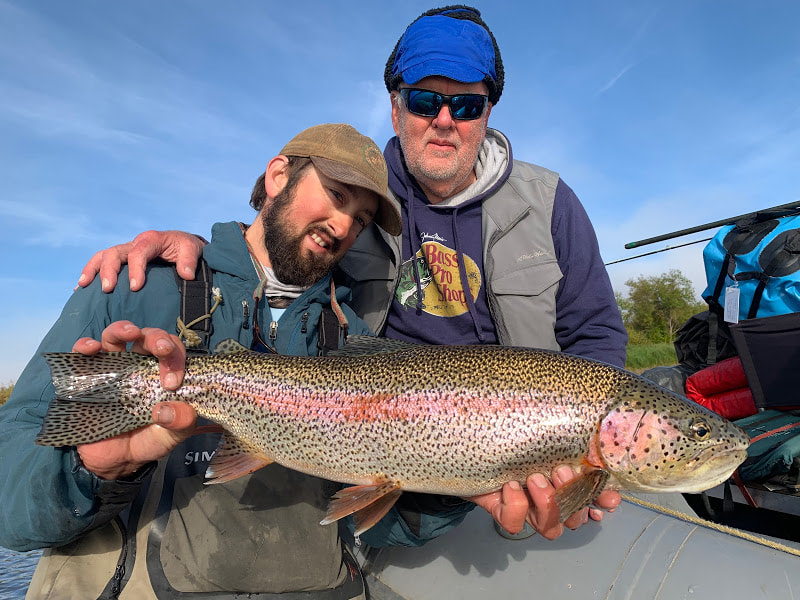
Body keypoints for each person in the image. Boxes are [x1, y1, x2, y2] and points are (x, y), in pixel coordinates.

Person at [77, 6, 626, 541]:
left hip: (509, 450)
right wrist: (196, 249)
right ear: (395, 106)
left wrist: (581, 453)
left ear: (488, 112)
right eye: (425, 100)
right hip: (366, 431)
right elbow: (281, 240)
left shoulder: (549, 202)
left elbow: (597, 336)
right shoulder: (363, 192)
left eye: (465, 105)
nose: (443, 120)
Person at [0, 123, 482, 599]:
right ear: (278, 176)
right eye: (337, 195)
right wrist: (97, 468)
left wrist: (451, 487)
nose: (343, 226)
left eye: (360, 219)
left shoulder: (353, 337)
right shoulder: (138, 287)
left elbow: (370, 526)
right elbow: (8, 507)